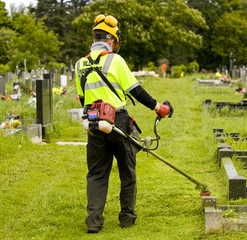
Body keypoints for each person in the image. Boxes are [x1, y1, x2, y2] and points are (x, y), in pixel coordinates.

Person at [75, 14, 171, 233]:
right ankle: (127, 217)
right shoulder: (115, 60)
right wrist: (159, 108)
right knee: (127, 171)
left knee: (97, 173)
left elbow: (83, 99)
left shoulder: (80, 64)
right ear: (111, 40)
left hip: (93, 121)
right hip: (118, 120)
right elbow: (135, 90)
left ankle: (94, 222)